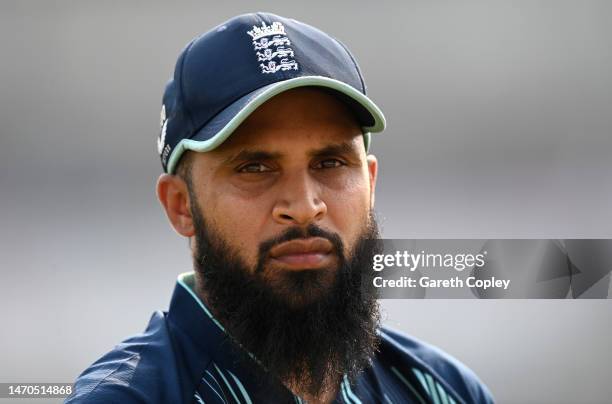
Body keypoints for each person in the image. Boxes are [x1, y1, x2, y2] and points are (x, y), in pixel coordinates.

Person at [66, 12, 494, 404]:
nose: (305, 207)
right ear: (181, 206)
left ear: (371, 183)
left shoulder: (442, 390)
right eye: (255, 167)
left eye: (330, 163)